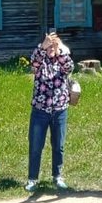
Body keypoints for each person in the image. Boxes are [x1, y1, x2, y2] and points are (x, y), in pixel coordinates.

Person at [25, 31, 74, 192]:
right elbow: (33, 63)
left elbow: (69, 67)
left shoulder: (62, 59)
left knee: (58, 145)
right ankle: (32, 178)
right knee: (36, 145)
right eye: (49, 46)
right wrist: (43, 46)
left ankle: (57, 176)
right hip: (40, 110)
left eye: (54, 45)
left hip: (59, 109)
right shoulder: (40, 61)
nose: (51, 49)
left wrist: (59, 50)